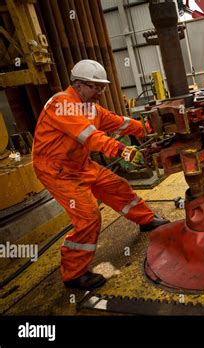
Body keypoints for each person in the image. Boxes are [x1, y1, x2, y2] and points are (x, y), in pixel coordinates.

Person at [32, 59, 170, 290]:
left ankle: (146, 220)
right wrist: (122, 151)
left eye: (102, 87)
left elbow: (120, 123)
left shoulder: (91, 108)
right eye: (96, 87)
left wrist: (152, 127)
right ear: (78, 84)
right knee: (88, 217)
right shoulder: (61, 104)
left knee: (118, 187)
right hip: (56, 170)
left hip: (79, 165)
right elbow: (91, 137)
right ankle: (74, 275)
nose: (101, 92)